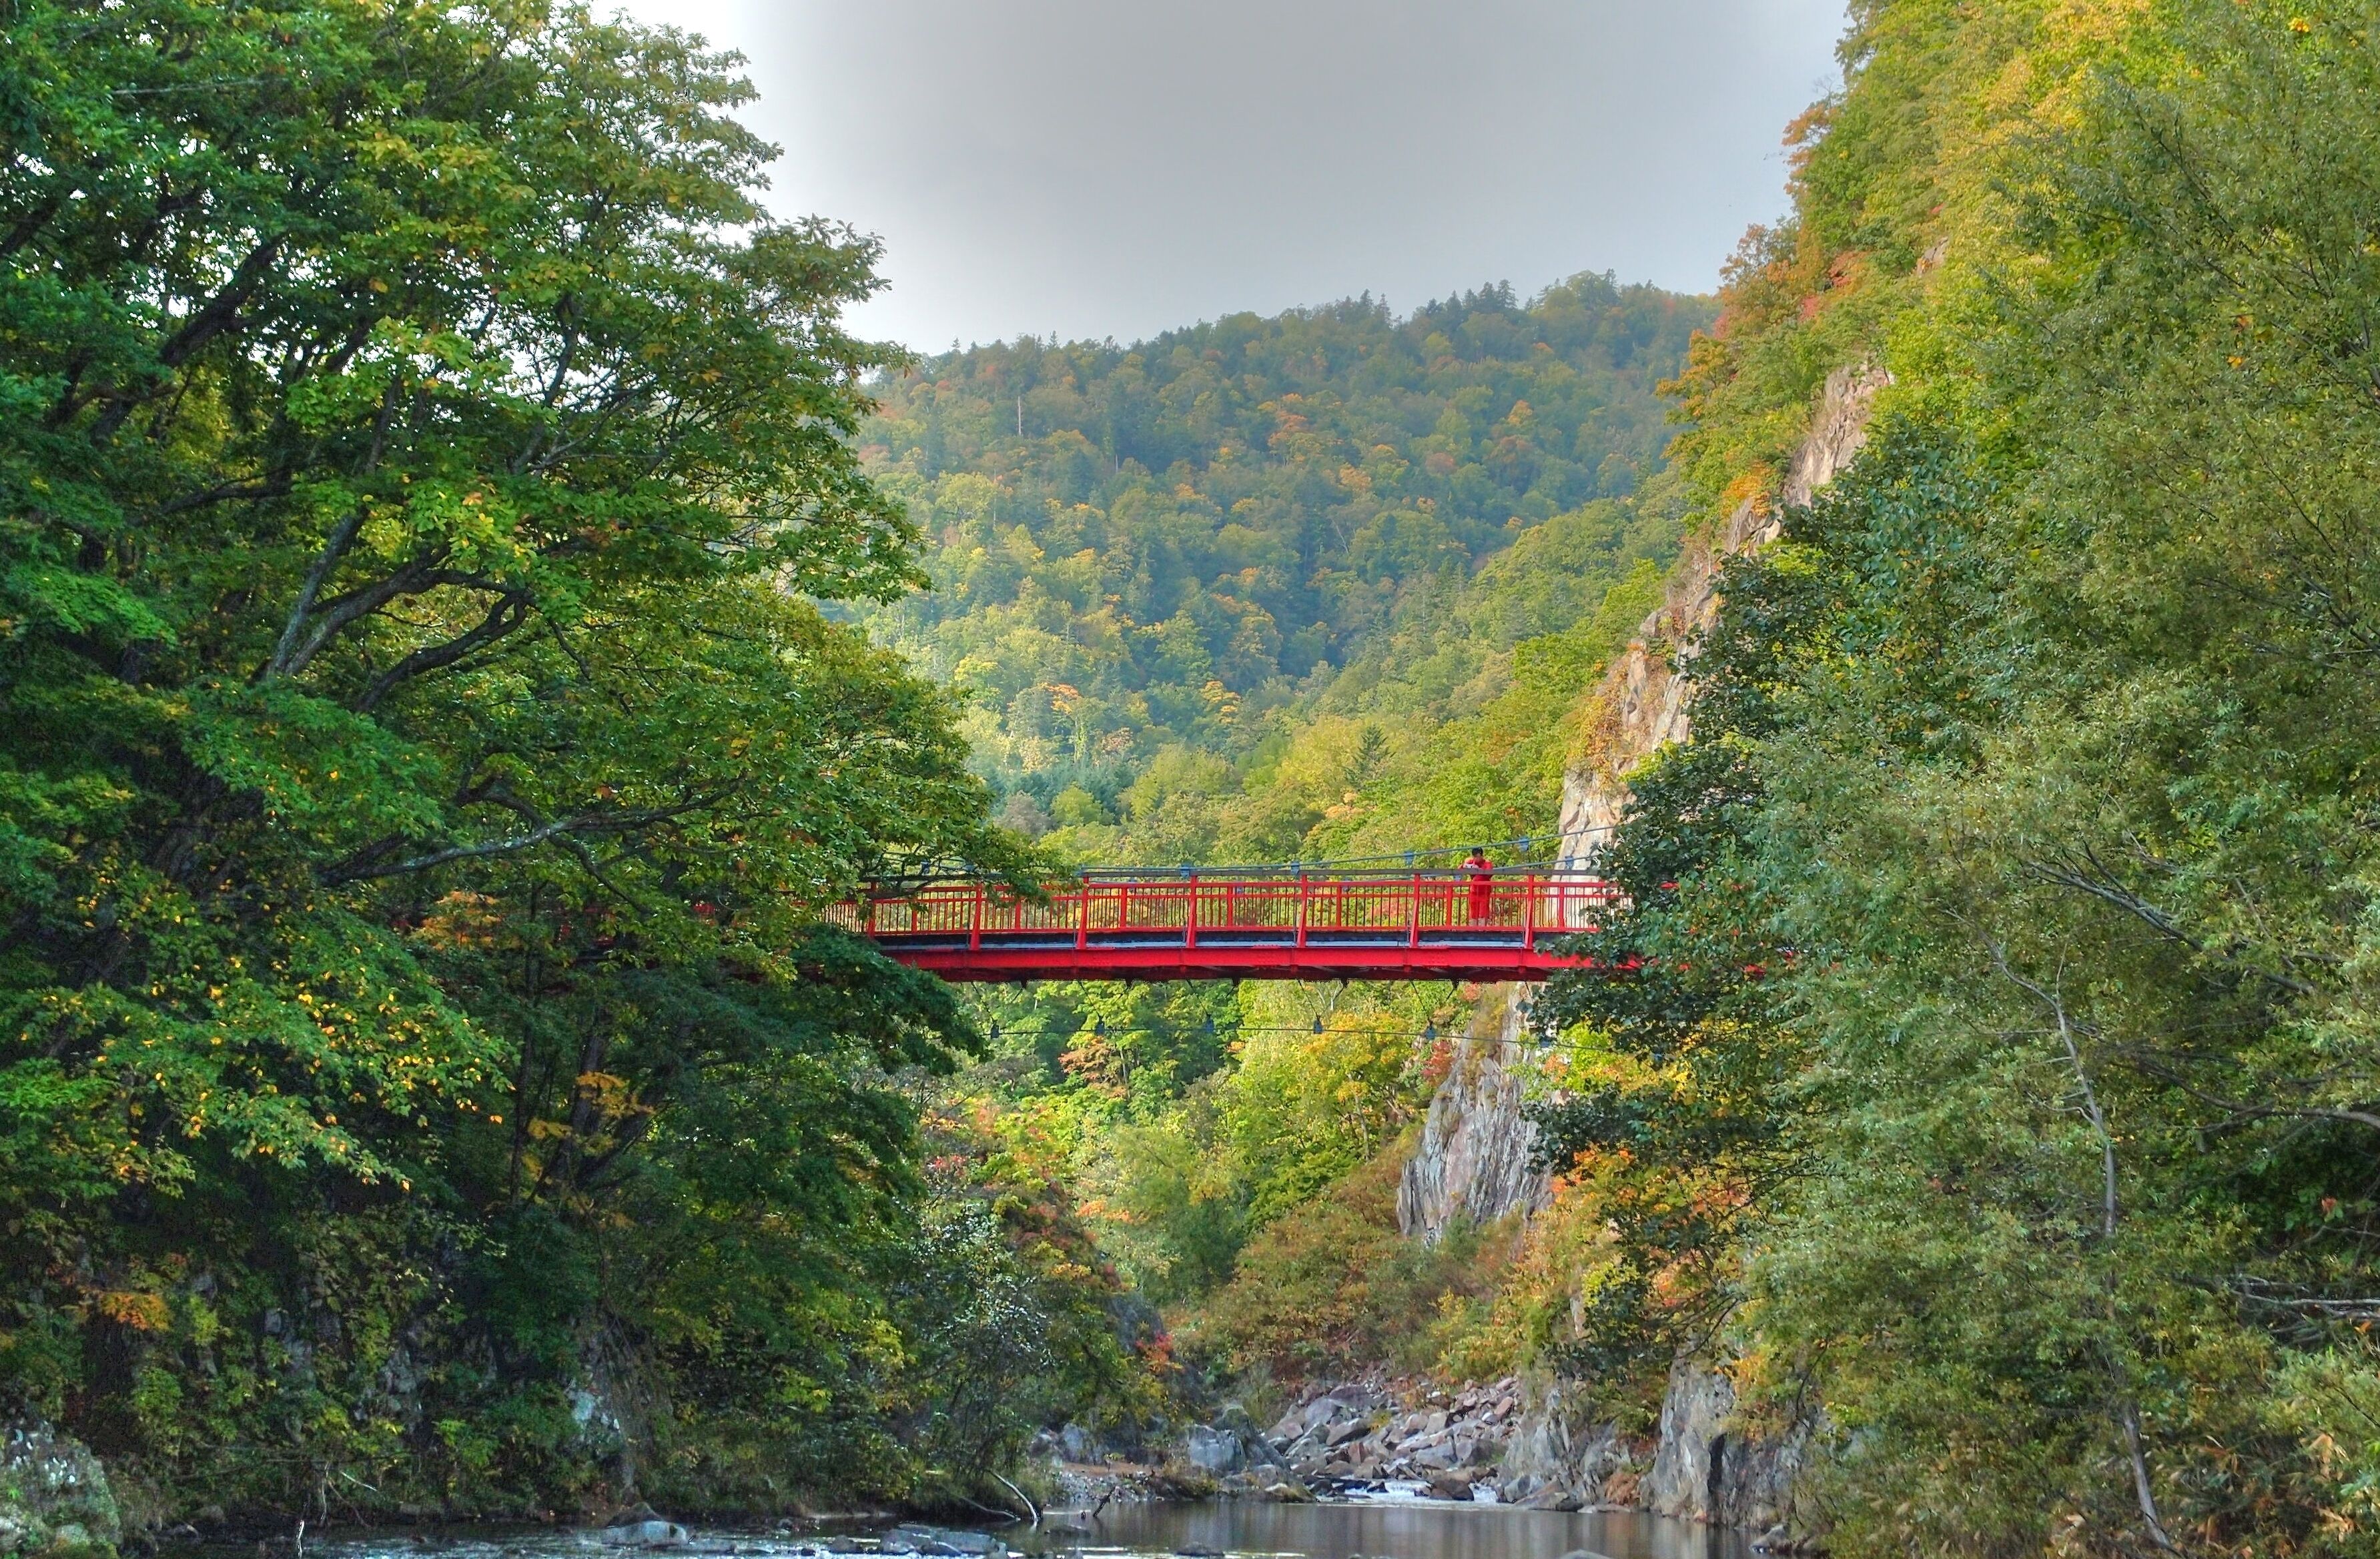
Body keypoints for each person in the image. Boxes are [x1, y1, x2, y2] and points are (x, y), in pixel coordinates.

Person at [1465, 847, 1495, 923]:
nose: (1476, 859)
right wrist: (1466, 866)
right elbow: (1460, 869)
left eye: (1478, 856)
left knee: (1483, 913)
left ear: (1481, 856)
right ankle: (1473, 930)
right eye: (1475, 857)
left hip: (1484, 892)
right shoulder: (1471, 862)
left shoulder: (1487, 863)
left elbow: (1489, 873)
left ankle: (1483, 930)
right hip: (1474, 891)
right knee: (1473, 914)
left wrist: (1478, 869)